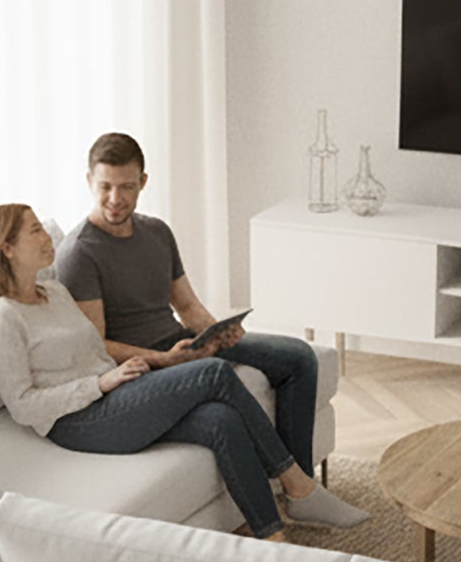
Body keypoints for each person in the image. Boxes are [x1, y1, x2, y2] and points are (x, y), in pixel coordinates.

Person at [0, 202, 369, 538]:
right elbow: (22, 406)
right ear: (7, 248)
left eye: (42, 228)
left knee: (221, 419)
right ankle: (298, 486)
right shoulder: (3, 317)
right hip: (75, 421)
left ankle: (273, 538)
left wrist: (154, 367)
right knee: (214, 372)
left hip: (115, 394)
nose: (47, 237)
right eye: (35, 231)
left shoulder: (56, 293)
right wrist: (99, 384)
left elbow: (95, 351)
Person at [54, 132, 333, 501]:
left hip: (181, 343)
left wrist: (217, 333)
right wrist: (165, 359)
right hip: (144, 367)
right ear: (89, 181)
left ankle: (300, 490)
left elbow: (186, 306)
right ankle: (299, 489)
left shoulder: (157, 231)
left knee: (298, 357)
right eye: (105, 186)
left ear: (143, 182)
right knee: (219, 387)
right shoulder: (79, 253)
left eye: (126, 186)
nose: (115, 198)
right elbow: (97, 346)